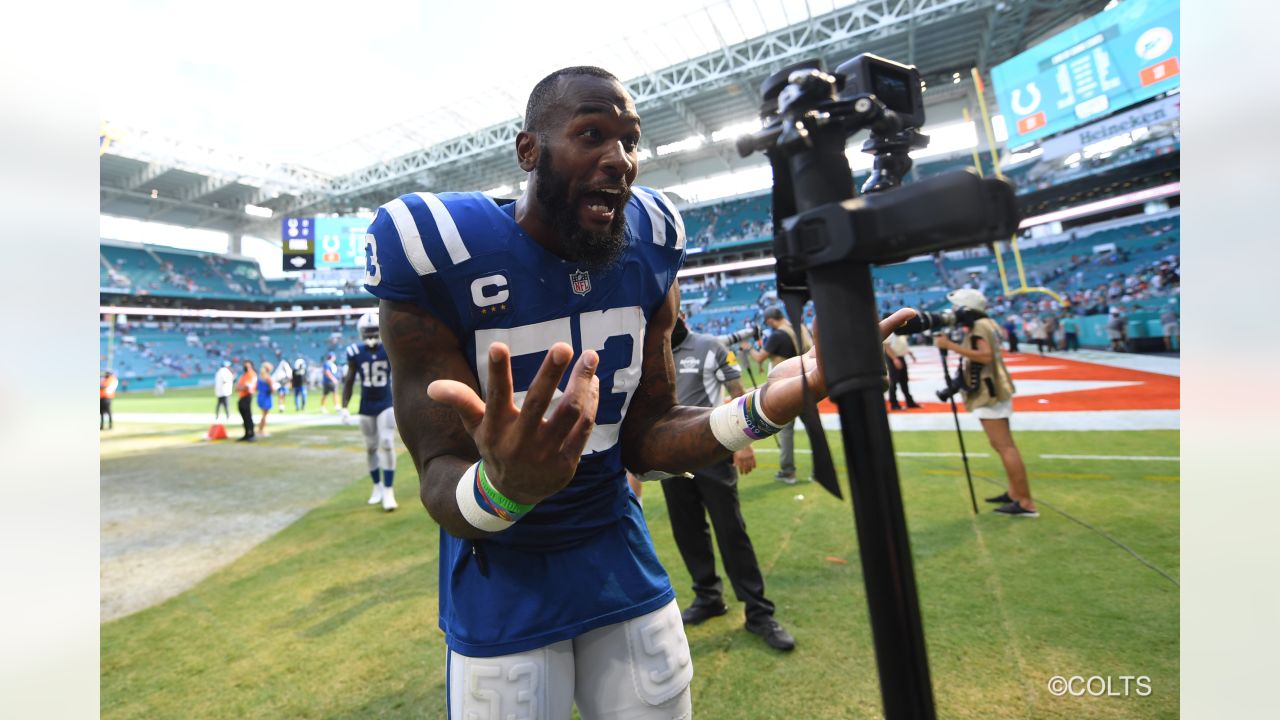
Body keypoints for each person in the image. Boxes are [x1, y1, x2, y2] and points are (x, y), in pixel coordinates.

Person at [364, 65, 911, 719]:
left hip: (615, 555)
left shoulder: (651, 240)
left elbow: (649, 438)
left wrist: (764, 406)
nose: (619, 160)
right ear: (529, 151)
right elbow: (436, 476)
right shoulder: (436, 247)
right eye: (592, 134)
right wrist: (507, 486)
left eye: (629, 140)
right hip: (499, 577)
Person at [661, 312, 795, 651]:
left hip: (712, 453)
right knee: (687, 531)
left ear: (680, 315)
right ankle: (708, 597)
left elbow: (738, 392)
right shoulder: (651, 354)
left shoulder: (713, 346)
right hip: (671, 459)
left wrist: (744, 443)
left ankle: (758, 612)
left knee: (730, 529)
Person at [933, 289, 1037, 517]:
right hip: (994, 388)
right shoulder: (986, 323)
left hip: (989, 391)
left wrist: (950, 346)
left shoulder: (980, 327)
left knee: (1004, 446)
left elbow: (985, 356)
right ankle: (1015, 493)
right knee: (1002, 445)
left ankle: (1025, 502)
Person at [741, 306, 811, 484]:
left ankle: (788, 472)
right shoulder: (799, 327)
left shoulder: (778, 335)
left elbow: (759, 358)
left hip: (787, 386)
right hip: (806, 381)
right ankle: (822, 471)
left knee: (786, 431)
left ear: (771, 320)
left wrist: (747, 348)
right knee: (814, 430)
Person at [340, 311, 399, 511]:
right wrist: (344, 406)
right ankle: (377, 486)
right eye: (368, 331)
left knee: (387, 442)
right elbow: (349, 380)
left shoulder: (389, 350)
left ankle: (389, 490)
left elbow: (401, 377)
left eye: (374, 330)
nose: (371, 334)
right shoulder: (355, 352)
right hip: (366, 405)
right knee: (371, 447)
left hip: (385, 402)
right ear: (360, 333)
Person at [883, 331, 920, 411]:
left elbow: (902, 344)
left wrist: (910, 353)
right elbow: (887, 347)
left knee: (904, 381)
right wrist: (895, 359)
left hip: (900, 357)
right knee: (894, 382)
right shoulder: (890, 332)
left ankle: (910, 402)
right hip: (893, 358)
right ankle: (894, 404)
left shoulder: (900, 331)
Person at [235, 360, 257, 442]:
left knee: (248, 416)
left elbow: (247, 387)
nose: (245, 367)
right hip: (242, 397)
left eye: (247, 366)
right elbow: (237, 387)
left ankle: (251, 434)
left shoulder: (252, 374)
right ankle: (246, 434)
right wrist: (241, 387)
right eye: (245, 365)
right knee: (244, 417)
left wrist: (241, 387)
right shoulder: (244, 376)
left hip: (247, 397)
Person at [256, 361, 276, 437]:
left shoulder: (260, 377)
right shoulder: (268, 378)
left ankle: (260, 430)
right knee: (265, 415)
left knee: (263, 415)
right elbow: (272, 389)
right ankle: (261, 430)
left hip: (260, 396)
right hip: (266, 397)